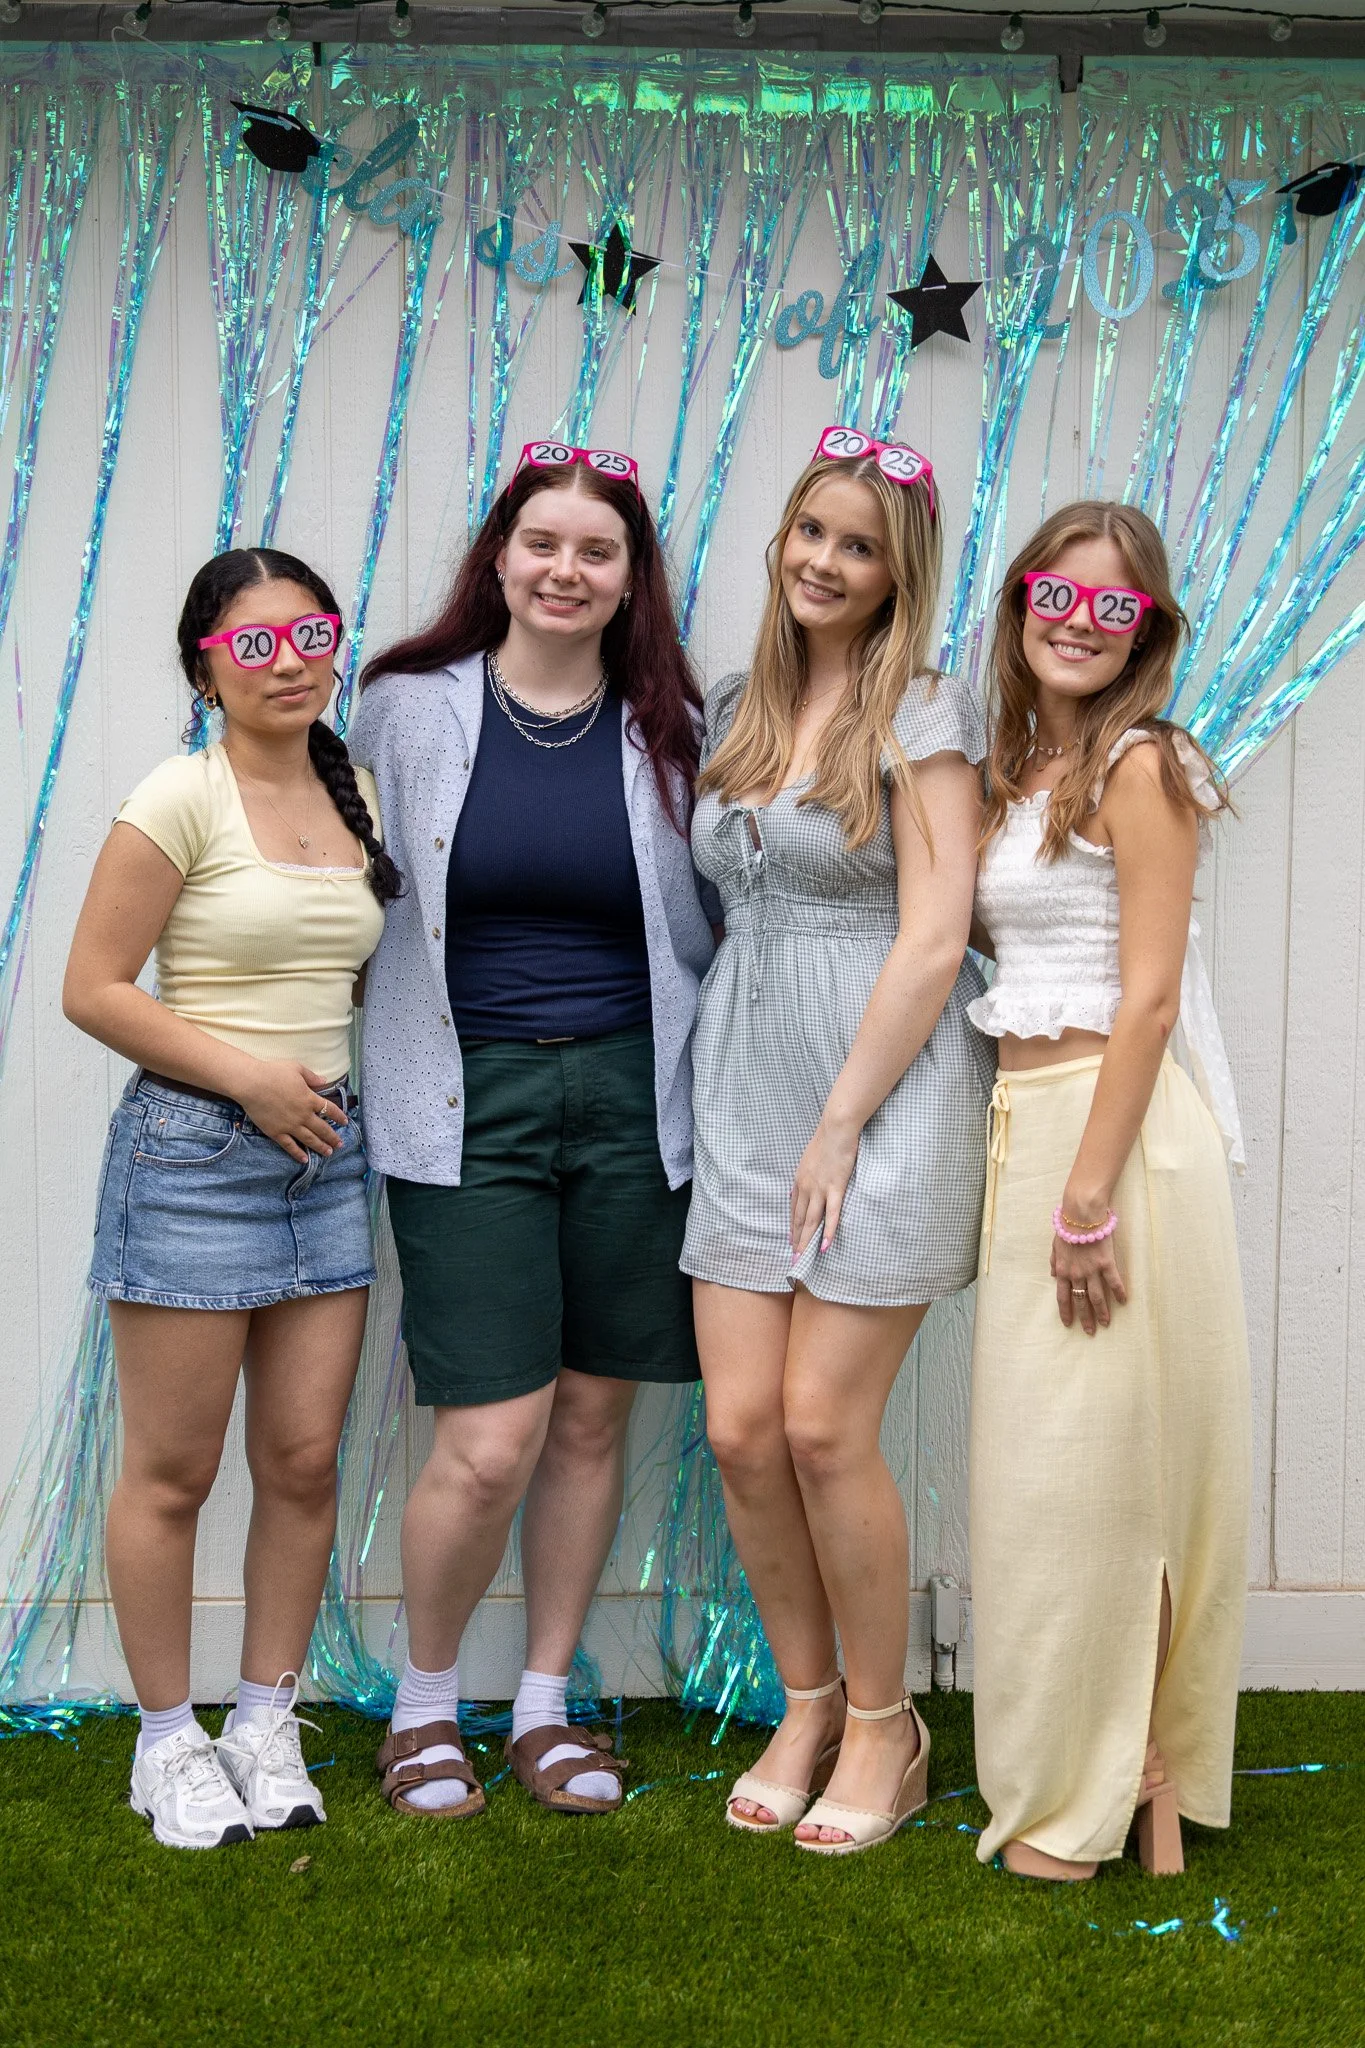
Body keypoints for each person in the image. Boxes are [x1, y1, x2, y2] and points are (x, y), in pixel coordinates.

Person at [349, 440, 713, 1820]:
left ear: (631, 581)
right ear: (498, 556)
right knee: (490, 1434)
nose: (568, 570)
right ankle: (426, 1707)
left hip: (637, 1096)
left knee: (588, 1417)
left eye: (598, 551)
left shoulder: (674, 723)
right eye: (543, 543)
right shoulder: (403, 707)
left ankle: (548, 1707)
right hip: (463, 1098)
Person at [684, 427, 992, 1855]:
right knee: (744, 1430)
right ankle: (805, 1701)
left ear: (896, 573)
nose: (825, 561)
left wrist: (841, 1125)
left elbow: (934, 941)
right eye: (811, 531)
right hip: (744, 1080)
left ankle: (887, 1725)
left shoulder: (925, 717)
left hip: (883, 1084)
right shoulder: (739, 705)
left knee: (822, 1426)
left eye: (858, 545)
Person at [64, 548, 400, 1850]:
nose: (290, 660)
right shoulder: (177, 797)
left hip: (327, 1160)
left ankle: (265, 1719)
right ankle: (167, 1743)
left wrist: (301, 1090)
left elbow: (346, 971)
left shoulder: (351, 792)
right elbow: (94, 988)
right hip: (194, 1157)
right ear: (205, 665)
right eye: (255, 643)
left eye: (310, 633)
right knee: (173, 1469)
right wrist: (253, 1080)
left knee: (304, 1461)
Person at [967, 500, 1250, 1880]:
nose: (1077, 623)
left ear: (1149, 632)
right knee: (1050, 1481)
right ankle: (1086, 1772)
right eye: (1054, 595)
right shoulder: (1028, 769)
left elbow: (1146, 1004)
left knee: (1101, 1484)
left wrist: (1087, 1202)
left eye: (1112, 607)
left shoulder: (1144, 765)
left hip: (1113, 1142)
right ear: (1021, 604)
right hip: (1036, 1123)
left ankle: (1103, 1788)